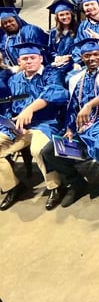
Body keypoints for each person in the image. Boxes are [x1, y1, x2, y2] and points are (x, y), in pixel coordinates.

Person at [41, 37, 99, 209]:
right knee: (51, 151)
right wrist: (70, 129)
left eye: (95, 54)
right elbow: (73, 107)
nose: (92, 58)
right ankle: (76, 184)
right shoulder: (76, 78)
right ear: (82, 58)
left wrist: (90, 105)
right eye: (87, 55)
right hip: (84, 127)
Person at [0, 42, 67, 210]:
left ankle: (55, 187)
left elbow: (57, 92)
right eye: (25, 58)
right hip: (19, 127)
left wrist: (30, 109)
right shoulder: (14, 80)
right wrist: (12, 121)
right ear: (19, 61)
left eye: (32, 58)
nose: (29, 61)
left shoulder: (51, 74)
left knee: (38, 150)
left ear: (40, 58)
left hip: (47, 123)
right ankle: (13, 186)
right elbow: (9, 106)